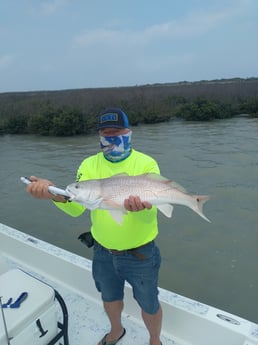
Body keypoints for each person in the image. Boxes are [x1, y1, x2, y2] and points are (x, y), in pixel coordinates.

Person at [27, 108, 163, 345]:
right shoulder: (89, 165)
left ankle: (154, 340)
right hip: (102, 252)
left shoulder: (146, 163)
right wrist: (52, 195)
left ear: (128, 131)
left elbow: (149, 217)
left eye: (116, 131)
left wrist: (141, 209)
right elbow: (76, 208)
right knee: (109, 297)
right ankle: (116, 331)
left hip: (141, 253)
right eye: (105, 132)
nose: (110, 136)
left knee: (149, 303)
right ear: (99, 135)